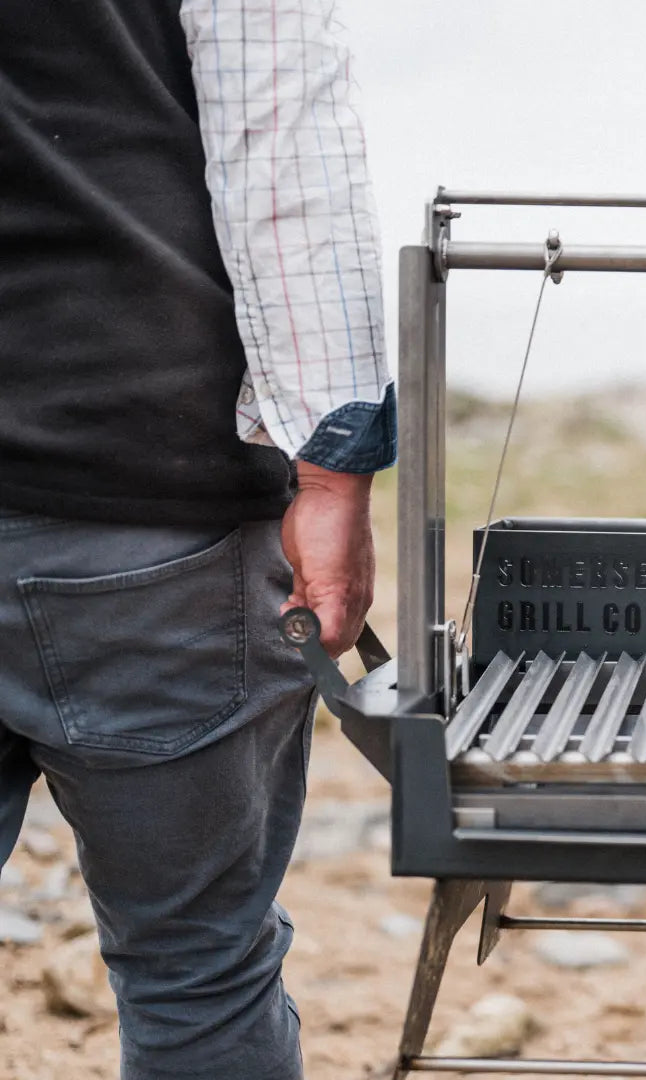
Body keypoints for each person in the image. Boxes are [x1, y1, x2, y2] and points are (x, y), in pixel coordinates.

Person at [0, 1, 388, 1076]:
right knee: (196, 969)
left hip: (143, 504)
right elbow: (280, 132)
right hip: (142, 493)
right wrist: (332, 467)